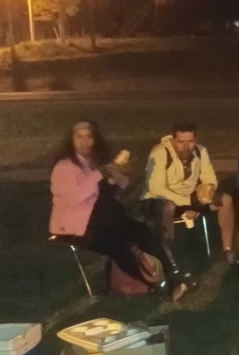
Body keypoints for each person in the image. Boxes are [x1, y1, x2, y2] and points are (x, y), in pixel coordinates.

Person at [50, 121, 187, 301]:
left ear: (95, 140)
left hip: (102, 219)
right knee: (117, 246)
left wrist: (121, 174)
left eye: (88, 136)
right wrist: (99, 174)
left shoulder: (93, 163)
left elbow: (115, 187)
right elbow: (76, 197)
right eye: (79, 137)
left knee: (142, 231)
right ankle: (154, 285)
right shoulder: (64, 167)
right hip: (75, 228)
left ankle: (173, 275)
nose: (84, 141)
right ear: (71, 140)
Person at [141, 123, 238, 264]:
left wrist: (205, 195)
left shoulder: (200, 151)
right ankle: (169, 258)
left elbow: (210, 179)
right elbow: (157, 189)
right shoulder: (160, 153)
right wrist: (189, 203)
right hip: (159, 199)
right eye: (181, 142)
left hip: (190, 197)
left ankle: (228, 249)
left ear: (196, 140)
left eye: (190, 141)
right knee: (168, 207)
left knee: (226, 200)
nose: (186, 146)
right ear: (174, 140)